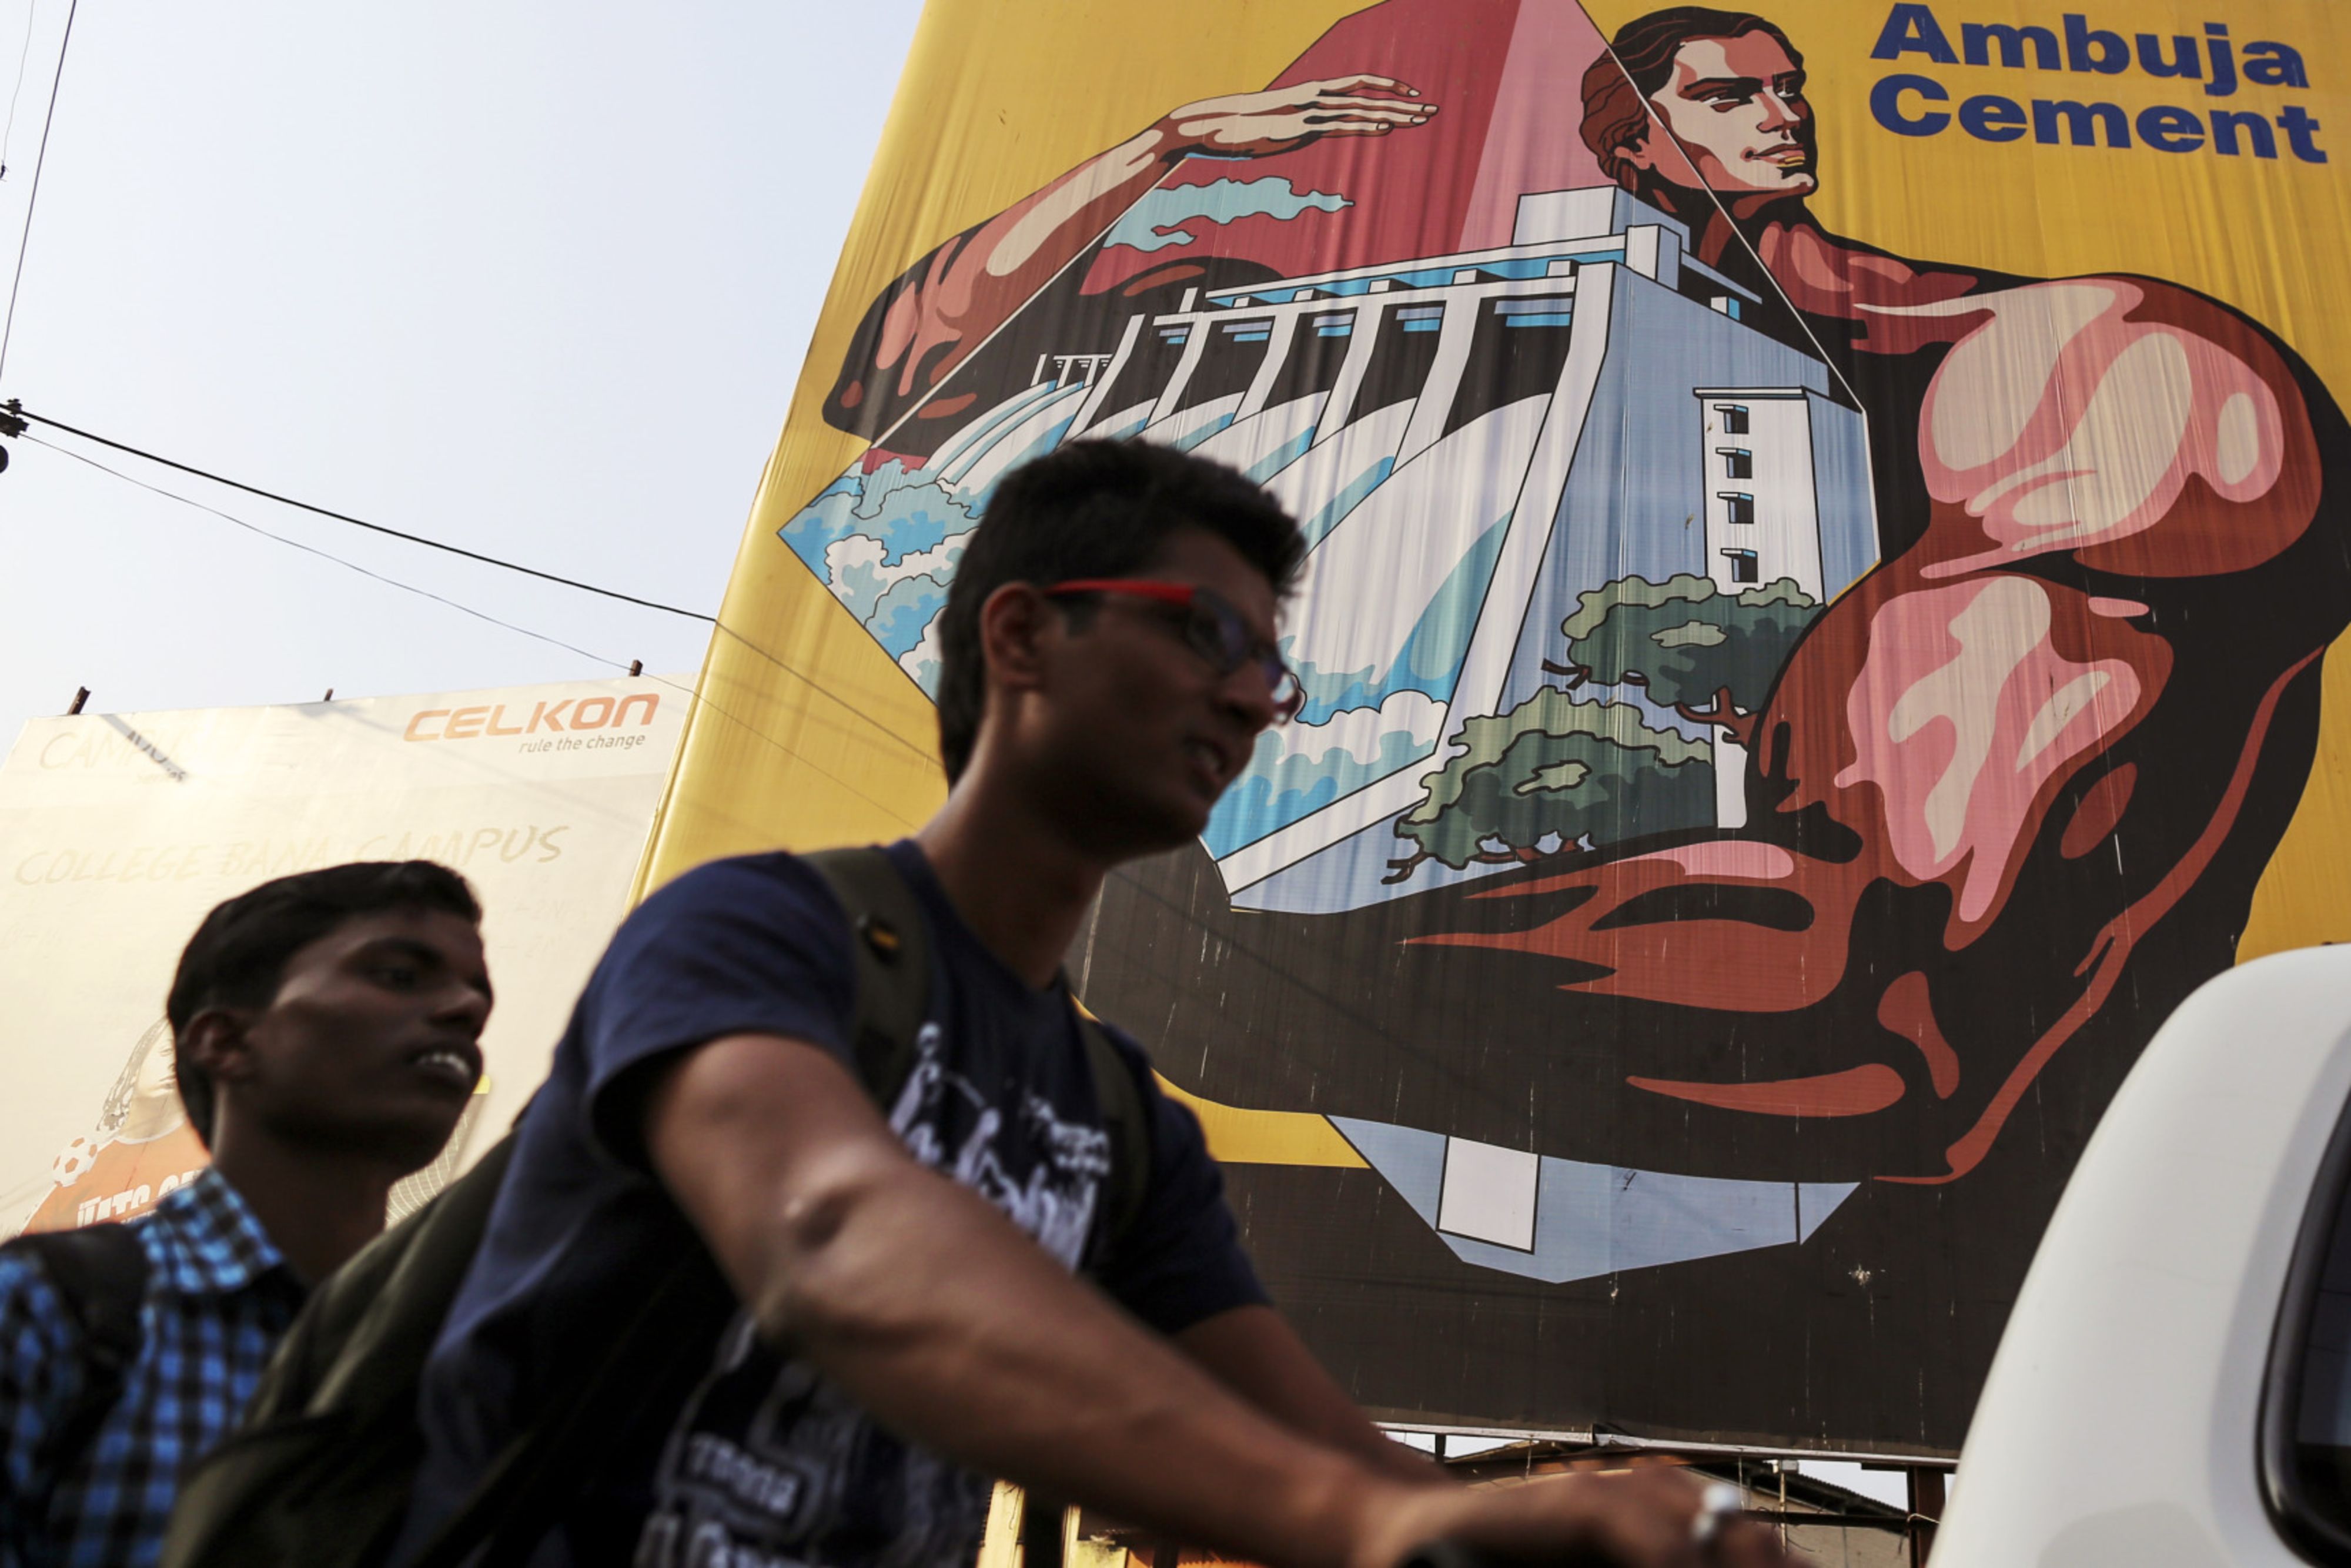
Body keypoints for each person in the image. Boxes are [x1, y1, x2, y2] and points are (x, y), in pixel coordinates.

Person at [397, 440, 1797, 1568]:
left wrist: (1612, 1523)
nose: (1252, 702)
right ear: (1021, 638)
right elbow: (823, 1232)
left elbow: (1327, 1465)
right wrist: (1370, 1519)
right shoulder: (751, 930)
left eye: (1271, 667)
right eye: (1204, 634)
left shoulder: (1120, 1118)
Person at [0, 861, 492, 1568]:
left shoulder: (463, 1361)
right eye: (399, 976)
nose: (464, 1010)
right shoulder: (50, 1307)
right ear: (225, 1042)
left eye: (478, 997)